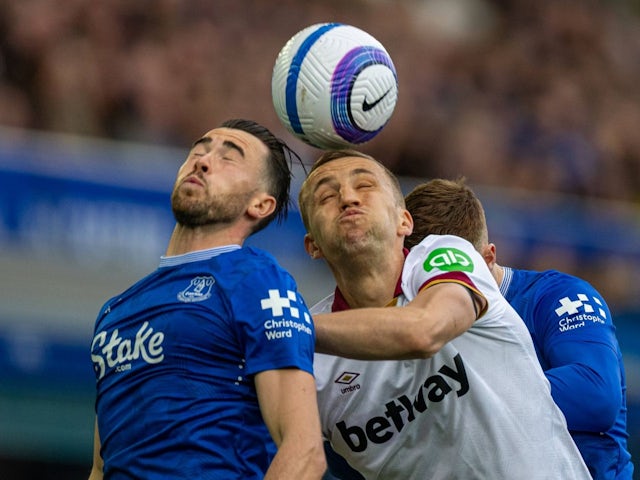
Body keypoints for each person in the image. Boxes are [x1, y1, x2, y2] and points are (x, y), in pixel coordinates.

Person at [297, 149, 591, 480]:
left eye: (364, 185)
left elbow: (423, 331)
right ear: (312, 245)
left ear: (404, 221)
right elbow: (295, 459)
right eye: (326, 196)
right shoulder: (310, 364)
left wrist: (291, 330)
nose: (348, 198)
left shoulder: (445, 254)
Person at [88, 119, 326, 480]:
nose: (202, 161)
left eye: (229, 159)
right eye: (198, 150)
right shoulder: (114, 311)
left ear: (261, 204)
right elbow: (100, 467)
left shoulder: (257, 280)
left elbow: (304, 452)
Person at [404, 177, 634, 480]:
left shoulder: (558, 296)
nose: (442, 293)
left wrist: (448, 408)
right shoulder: (414, 322)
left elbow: (596, 395)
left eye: (454, 277)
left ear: (488, 258)